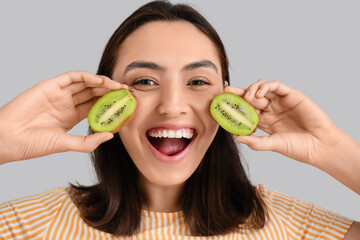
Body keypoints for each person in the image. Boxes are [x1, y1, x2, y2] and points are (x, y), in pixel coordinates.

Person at [0, 1, 359, 239]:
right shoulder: (35, 225)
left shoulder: (287, 226)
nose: (172, 106)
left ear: (229, 100)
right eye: (144, 81)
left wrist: (328, 148)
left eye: (198, 82)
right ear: (106, 99)